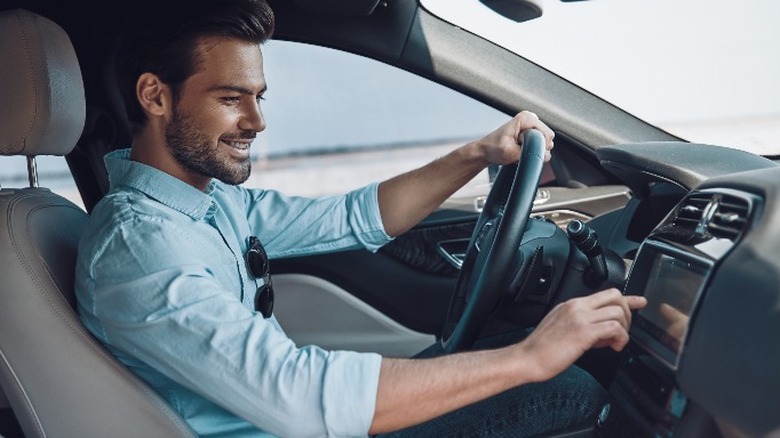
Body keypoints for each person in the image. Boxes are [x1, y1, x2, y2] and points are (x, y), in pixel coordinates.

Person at [74, 0, 647, 436]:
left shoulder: (207, 201)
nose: (256, 121)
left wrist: (478, 153)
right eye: (231, 99)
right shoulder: (139, 248)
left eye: (259, 97)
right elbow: (298, 397)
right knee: (565, 383)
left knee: (553, 355)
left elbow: (354, 216)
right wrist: (528, 359)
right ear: (155, 96)